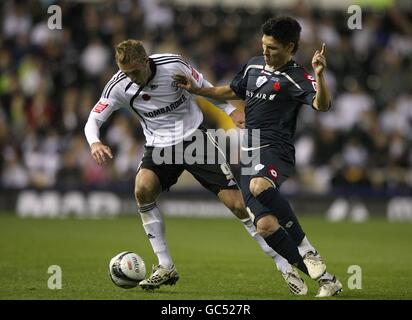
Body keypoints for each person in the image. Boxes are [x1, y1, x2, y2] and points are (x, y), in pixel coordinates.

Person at [84, 39, 309, 294]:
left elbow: (205, 88)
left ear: (146, 61)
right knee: (142, 190)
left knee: (238, 205)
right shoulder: (118, 85)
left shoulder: (173, 65)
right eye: (126, 73)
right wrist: (95, 143)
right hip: (159, 147)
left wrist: (229, 110)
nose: (132, 78)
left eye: (135, 71)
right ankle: (165, 265)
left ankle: (283, 265)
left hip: (194, 139)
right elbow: (94, 119)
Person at [174, 16, 343, 297]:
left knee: (258, 186)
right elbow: (230, 90)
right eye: (263, 45)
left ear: (290, 48)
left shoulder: (297, 76)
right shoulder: (253, 65)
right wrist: (197, 90)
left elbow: (321, 105)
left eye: (272, 48)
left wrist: (321, 75)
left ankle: (307, 248)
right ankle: (327, 280)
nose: (265, 52)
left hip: (277, 149)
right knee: (265, 227)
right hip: (249, 150)